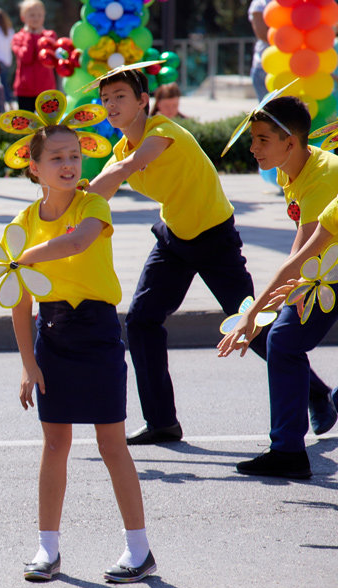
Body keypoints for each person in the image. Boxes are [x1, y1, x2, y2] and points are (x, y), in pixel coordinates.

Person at [89, 68, 335, 446]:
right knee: (140, 321)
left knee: (252, 326)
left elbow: (129, 168)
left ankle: (317, 394)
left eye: (120, 96)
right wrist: (68, 208)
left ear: (143, 101)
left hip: (215, 238)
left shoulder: (163, 132)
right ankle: (162, 422)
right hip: (174, 237)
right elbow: (100, 187)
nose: (111, 105)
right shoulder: (120, 149)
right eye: (105, 99)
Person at [8, 123, 155, 583]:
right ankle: (46, 549)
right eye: (56, 158)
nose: (69, 164)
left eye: (74, 155)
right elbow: (18, 297)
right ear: (35, 168)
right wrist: (28, 363)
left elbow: (77, 242)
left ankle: (140, 550)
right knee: (55, 444)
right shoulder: (22, 223)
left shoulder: (93, 204)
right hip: (51, 336)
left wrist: (25, 256)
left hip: (97, 332)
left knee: (112, 444)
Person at [217, 96, 338, 479]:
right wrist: (265, 310)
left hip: (325, 268)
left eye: (262, 139)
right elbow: (301, 249)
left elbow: (301, 258)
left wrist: (251, 316)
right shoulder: (291, 168)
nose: (253, 147)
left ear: (291, 141)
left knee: (280, 339)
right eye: (252, 138)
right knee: (283, 340)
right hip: (327, 268)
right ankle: (287, 450)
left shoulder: (323, 177)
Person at [12, 0, 57, 112]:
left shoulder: (50, 35)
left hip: (46, 87)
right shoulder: (18, 37)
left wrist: (39, 36)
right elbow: (26, 58)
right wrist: (30, 36)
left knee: (49, 123)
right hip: (25, 90)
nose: (36, 18)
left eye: (39, 15)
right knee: (27, 124)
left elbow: (50, 59)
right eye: (32, 15)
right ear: (23, 18)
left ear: (44, 16)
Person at [249, 0, 269, 101]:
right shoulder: (259, 4)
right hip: (264, 67)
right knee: (269, 113)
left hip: (292, 68)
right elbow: (262, 34)